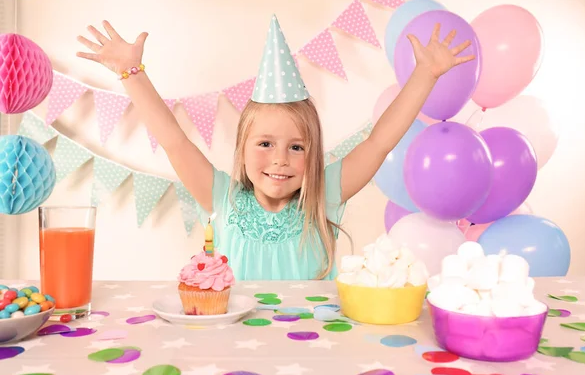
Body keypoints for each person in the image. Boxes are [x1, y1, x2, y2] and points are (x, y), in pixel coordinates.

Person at [76, 14, 474, 281]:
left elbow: (378, 140)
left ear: (313, 155)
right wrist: (131, 73)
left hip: (313, 349)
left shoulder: (325, 196)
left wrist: (424, 75)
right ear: (242, 148)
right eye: (265, 143)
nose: (281, 159)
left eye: (297, 148)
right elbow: (175, 141)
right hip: (236, 351)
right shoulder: (221, 197)